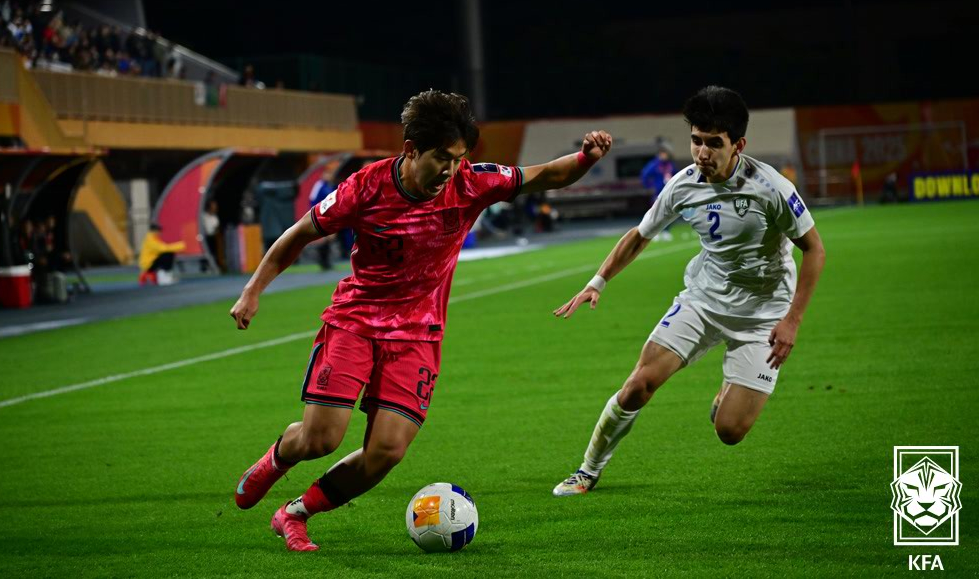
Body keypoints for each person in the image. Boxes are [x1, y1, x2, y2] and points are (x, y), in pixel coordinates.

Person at [228, 89, 613, 551]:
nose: (450, 170)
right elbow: (299, 234)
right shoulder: (364, 188)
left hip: (418, 335)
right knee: (321, 439)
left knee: (387, 452)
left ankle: (295, 513)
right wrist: (253, 290)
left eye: (459, 159)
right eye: (441, 158)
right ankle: (276, 459)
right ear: (411, 150)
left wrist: (585, 159)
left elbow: (545, 174)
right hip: (356, 322)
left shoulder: (471, 183)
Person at [550, 85, 825, 497]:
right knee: (638, 385)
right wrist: (597, 281)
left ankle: (726, 396)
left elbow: (815, 250)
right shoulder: (682, 185)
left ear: (738, 145)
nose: (701, 153)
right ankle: (587, 471)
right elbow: (640, 235)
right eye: (696, 140)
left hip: (763, 314)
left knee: (730, 431)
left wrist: (792, 321)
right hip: (703, 300)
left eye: (714, 143)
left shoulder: (771, 188)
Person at [640, 144, 677, 240]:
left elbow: (676, 175)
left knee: (669, 212)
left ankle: (666, 231)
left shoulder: (670, 164)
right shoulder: (654, 164)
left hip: (669, 192)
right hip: (657, 192)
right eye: (664, 154)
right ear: (661, 154)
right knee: (655, 213)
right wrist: (650, 186)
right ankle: (653, 233)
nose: (666, 156)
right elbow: (645, 175)